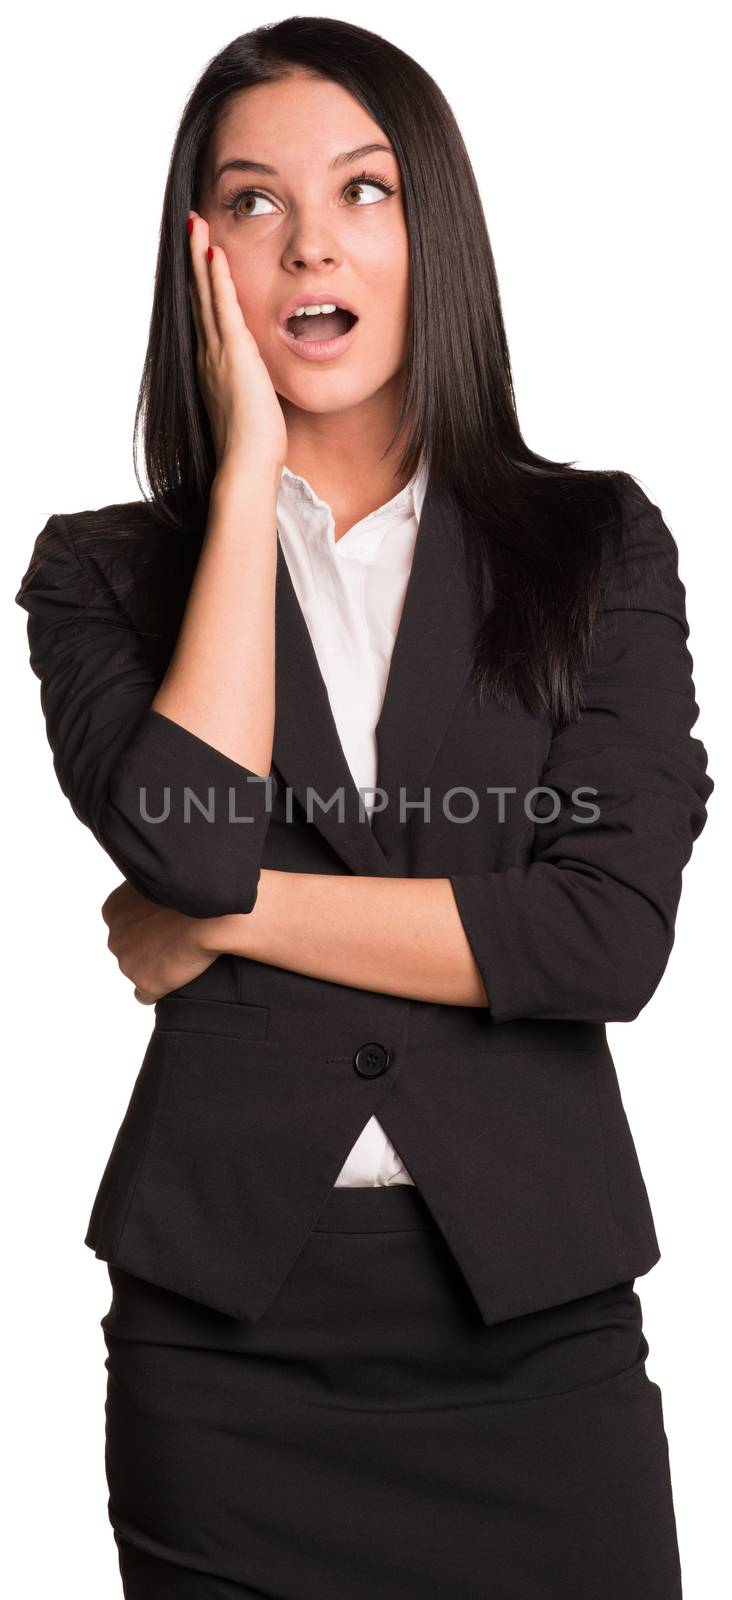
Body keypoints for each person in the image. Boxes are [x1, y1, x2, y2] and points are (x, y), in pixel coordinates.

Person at [15, 16, 713, 1598]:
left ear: (434, 228)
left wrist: (225, 919)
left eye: (363, 190)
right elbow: (192, 836)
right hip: (229, 1344)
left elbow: (600, 937)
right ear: (200, 258)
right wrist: (249, 469)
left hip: (536, 1329)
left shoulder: (595, 546)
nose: (309, 239)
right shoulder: (105, 575)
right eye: (252, 202)